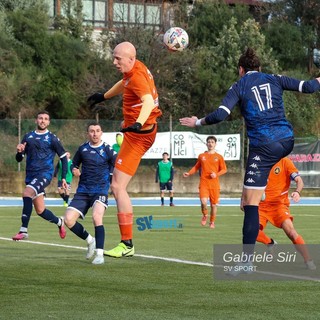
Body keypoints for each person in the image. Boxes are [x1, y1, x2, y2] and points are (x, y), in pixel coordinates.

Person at [180, 47, 320, 269]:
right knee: (251, 196)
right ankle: (263, 193)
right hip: (287, 140)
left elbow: (220, 115)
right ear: (260, 68)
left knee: (249, 204)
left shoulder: (240, 85)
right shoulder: (274, 78)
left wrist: (198, 122)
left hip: (263, 146)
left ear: (240, 70)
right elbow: (310, 87)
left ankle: (246, 261)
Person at [87, 41, 162, 258]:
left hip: (138, 136)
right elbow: (124, 83)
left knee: (118, 187)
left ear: (130, 58)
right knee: (117, 186)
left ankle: (127, 243)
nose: (114, 62)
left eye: (117, 58)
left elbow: (148, 102)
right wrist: (104, 96)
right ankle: (127, 243)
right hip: (138, 132)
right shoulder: (135, 67)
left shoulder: (137, 76)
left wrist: (137, 123)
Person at [63, 122, 117, 265]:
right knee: (68, 220)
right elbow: (74, 164)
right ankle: (90, 240)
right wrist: (74, 170)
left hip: (100, 190)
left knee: (96, 216)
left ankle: (100, 254)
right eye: (92, 131)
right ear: (88, 133)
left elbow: (117, 163)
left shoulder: (107, 149)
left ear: (101, 132)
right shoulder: (83, 148)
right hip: (83, 190)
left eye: (97, 131)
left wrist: (113, 179)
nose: (95, 134)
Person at [12, 111, 67, 241]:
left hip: (45, 174)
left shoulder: (52, 138)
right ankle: (60, 222)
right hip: (31, 176)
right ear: (36, 120)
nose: (43, 121)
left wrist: (63, 177)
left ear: (49, 122)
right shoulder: (28, 137)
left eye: (46, 119)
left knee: (26, 193)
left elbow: (64, 158)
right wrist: (19, 152)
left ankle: (23, 230)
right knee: (41, 210)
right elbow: (19, 159)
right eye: (40, 118)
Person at [257, 157, 316, 270]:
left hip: (279, 206)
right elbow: (249, 182)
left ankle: (308, 259)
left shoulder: (285, 162)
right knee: (253, 232)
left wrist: (297, 192)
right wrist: (243, 199)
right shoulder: (260, 161)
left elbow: (299, 180)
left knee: (292, 233)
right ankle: (270, 243)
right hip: (261, 207)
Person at [183, 136, 227, 228]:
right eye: (209, 142)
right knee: (203, 202)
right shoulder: (202, 156)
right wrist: (189, 173)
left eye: (212, 142)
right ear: (206, 144)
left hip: (214, 184)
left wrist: (216, 174)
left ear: (215, 144)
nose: (210, 143)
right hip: (204, 183)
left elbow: (224, 169)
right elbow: (196, 167)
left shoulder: (219, 157)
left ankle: (212, 222)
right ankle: (205, 215)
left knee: (214, 205)